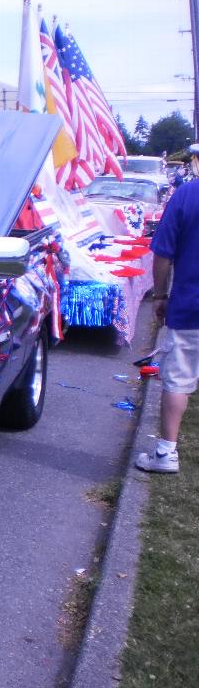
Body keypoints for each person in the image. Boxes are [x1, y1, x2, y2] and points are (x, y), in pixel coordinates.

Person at [136, 143, 199, 474]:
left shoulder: (187, 195)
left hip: (190, 306)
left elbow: (162, 253)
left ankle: (166, 453)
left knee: (178, 379)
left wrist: (159, 295)